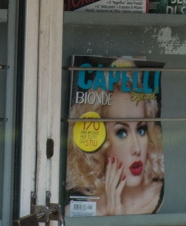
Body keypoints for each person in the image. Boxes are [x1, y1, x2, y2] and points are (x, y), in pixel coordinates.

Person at [66, 72, 165, 216]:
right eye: (122, 133)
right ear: (101, 141)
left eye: (141, 130)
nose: (137, 148)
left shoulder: (164, 198)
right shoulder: (75, 212)